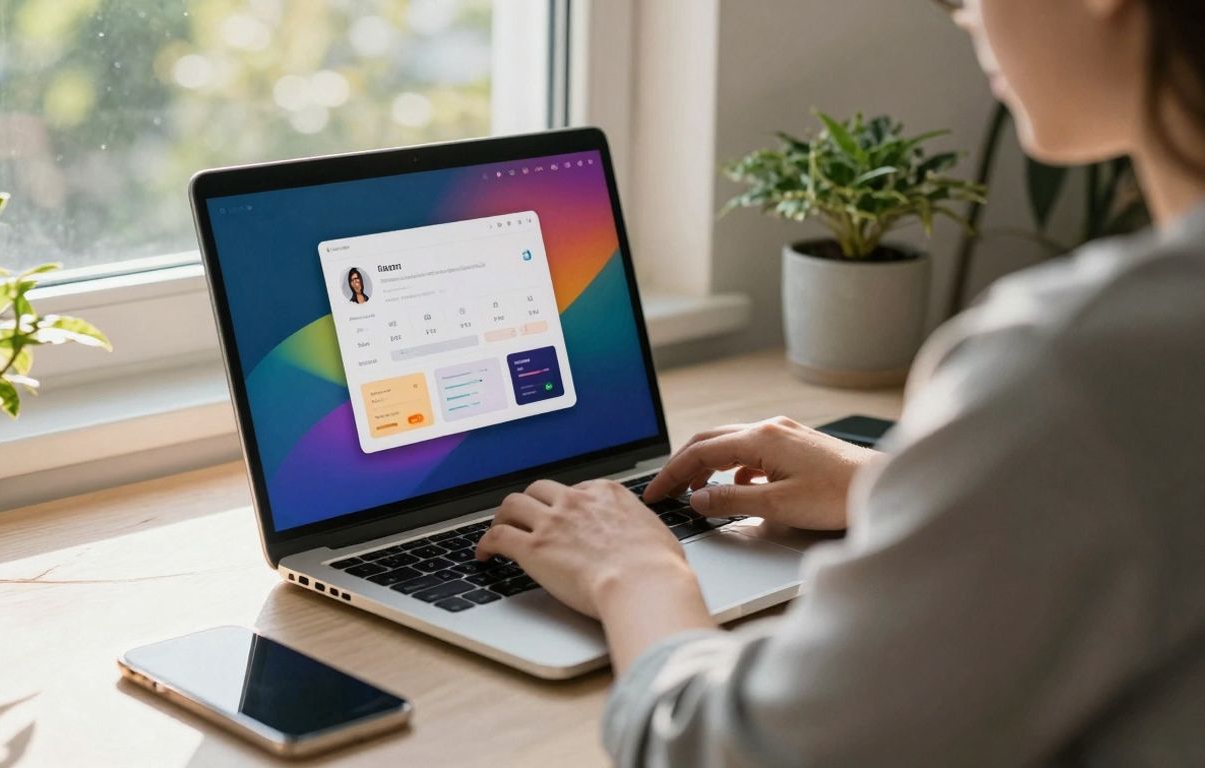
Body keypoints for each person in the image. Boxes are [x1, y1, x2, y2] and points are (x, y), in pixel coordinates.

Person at [475, 0, 1205, 764]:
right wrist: (904, 487)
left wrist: (634, 572)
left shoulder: (1071, 367)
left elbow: (740, 752)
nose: (963, 14)